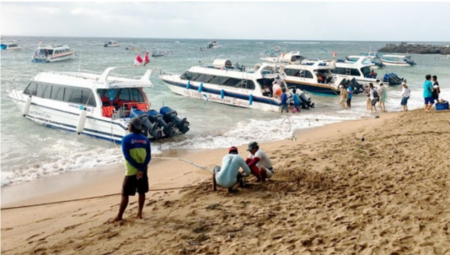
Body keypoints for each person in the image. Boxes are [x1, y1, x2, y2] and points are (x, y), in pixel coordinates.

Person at [108, 118, 151, 223]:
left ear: (132, 127)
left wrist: (136, 168)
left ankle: (119, 216)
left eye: (129, 125)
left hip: (131, 171)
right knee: (141, 192)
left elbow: (127, 156)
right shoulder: (146, 139)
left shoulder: (126, 139)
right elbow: (148, 157)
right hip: (143, 170)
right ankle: (139, 213)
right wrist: (141, 169)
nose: (128, 126)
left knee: (125, 194)